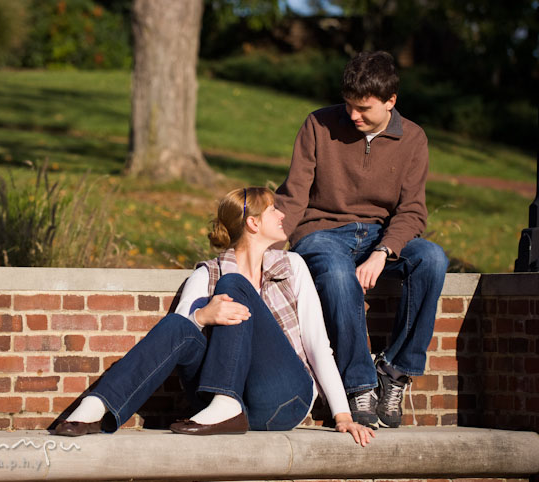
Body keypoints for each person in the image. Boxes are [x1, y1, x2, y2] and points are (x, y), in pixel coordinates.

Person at [53, 187, 374, 446]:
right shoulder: (207, 274)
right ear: (254, 223)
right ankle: (99, 407)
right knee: (185, 320)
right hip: (211, 408)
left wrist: (343, 415)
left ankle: (228, 404)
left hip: (282, 398)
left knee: (233, 284)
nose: (282, 214)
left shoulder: (292, 266)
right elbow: (177, 341)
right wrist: (203, 316)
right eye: (274, 209)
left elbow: (318, 345)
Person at [274, 51, 449, 429]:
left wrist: (384, 251)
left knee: (432, 258)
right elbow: (293, 195)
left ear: (391, 102)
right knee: (337, 274)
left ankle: (395, 371)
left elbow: (413, 211)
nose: (353, 115)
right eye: (349, 104)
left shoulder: (413, 138)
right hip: (320, 232)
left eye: (364, 108)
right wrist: (263, 249)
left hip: (378, 237)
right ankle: (358, 385)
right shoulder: (319, 124)